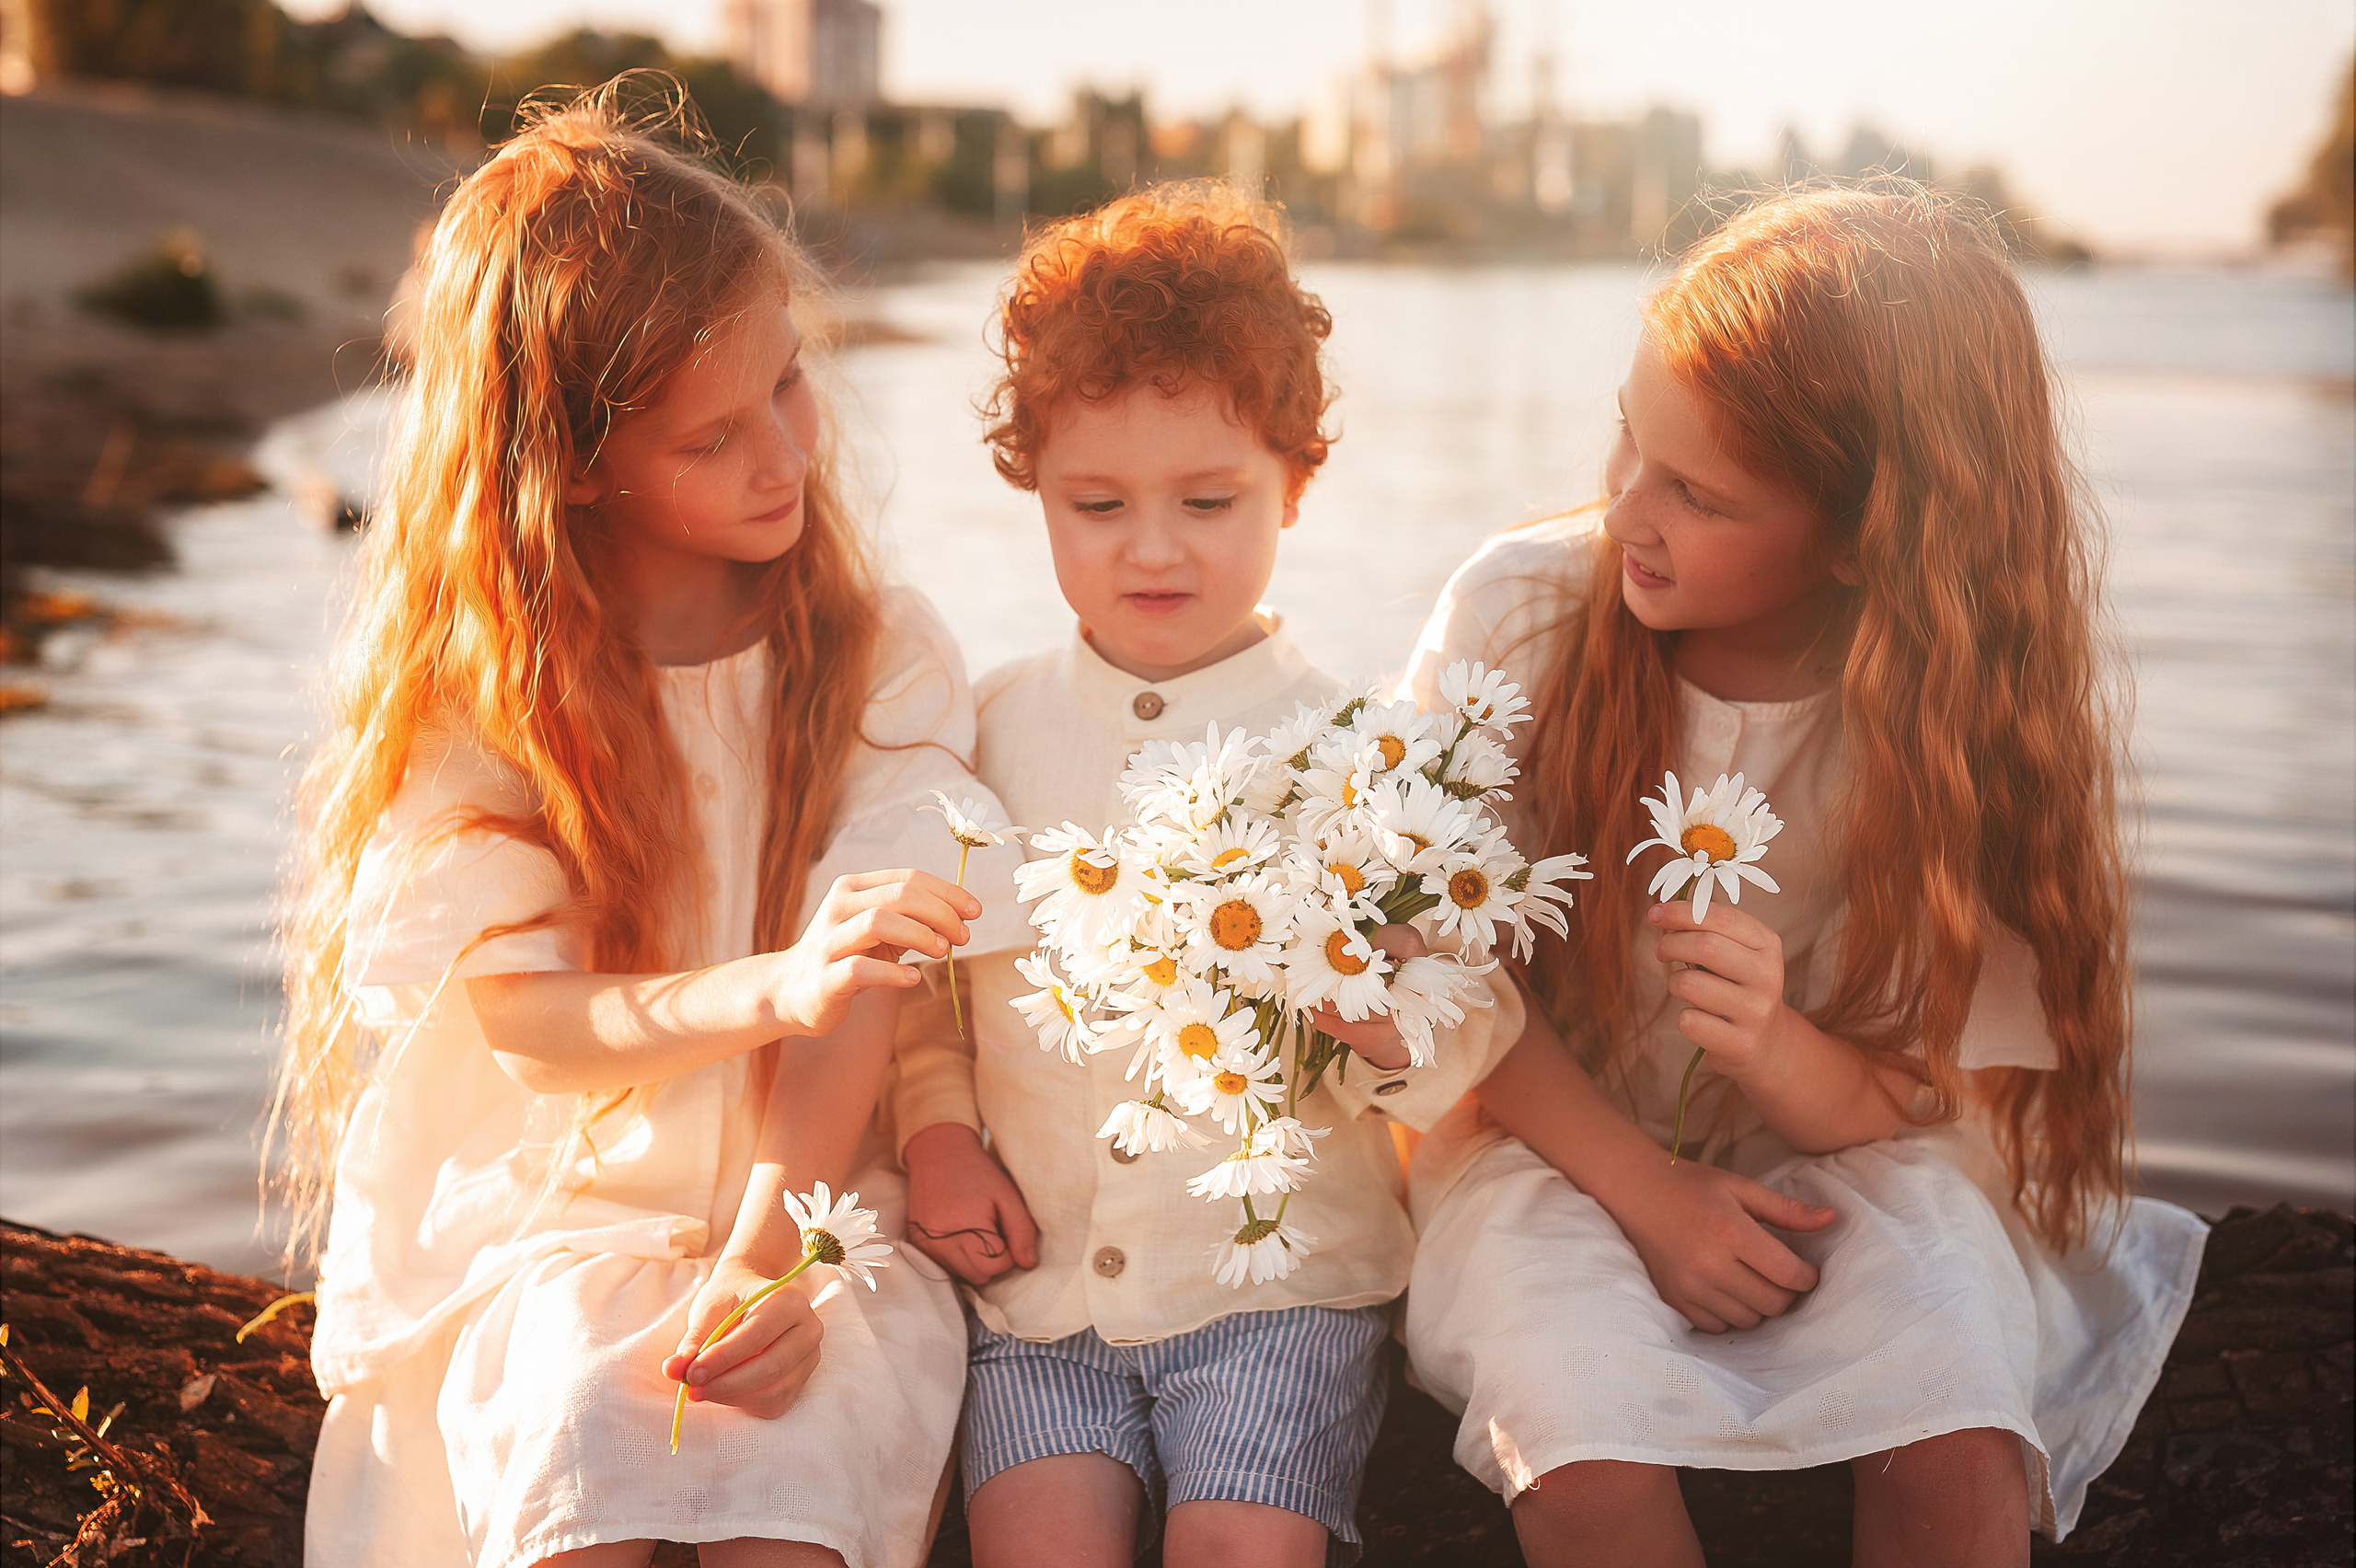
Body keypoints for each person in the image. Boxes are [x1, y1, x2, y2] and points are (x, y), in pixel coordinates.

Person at [1399, 184, 2207, 1568]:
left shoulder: (1957, 723)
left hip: (1848, 1151)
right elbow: (1428, 971)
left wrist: (1772, 1046)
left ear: (1861, 535)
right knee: (1583, 1428)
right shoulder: (1522, 614)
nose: (1626, 508)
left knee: (1952, 1420)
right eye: (1628, 441)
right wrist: (1650, 1196)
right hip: (1544, 1139)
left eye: (1697, 493)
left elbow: (1922, 1086)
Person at [275, 84, 1023, 1568]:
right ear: (571, 465)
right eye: (711, 438)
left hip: (817, 1202)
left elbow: (868, 988)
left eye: (792, 387)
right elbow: (531, 1024)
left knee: (786, 1513)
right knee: (577, 1482)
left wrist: (774, 1252)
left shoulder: (880, 656)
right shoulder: (478, 703)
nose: (784, 458)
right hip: (562, 1213)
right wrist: (770, 984)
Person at [888, 182, 1526, 1568]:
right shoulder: (982, 731)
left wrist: (1385, 1022)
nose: (1154, 546)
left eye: (1210, 498)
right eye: (1098, 502)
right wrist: (938, 1129)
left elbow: (1475, 1027)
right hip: (1038, 1300)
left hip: (1283, 1290)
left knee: (1245, 1547)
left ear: (1296, 481)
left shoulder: (1361, 752)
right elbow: (926, 991)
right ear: (1033, 485)